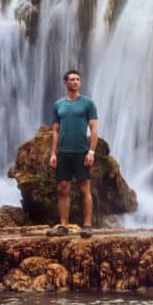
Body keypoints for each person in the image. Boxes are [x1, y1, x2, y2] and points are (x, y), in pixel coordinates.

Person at [46, 69, 98, 238]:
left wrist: (91, 151)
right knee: (62, 189)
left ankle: (87, 226)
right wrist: (53, 154)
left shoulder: (88, 103)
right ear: (65, 83)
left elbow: (94, 128)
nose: (75, 82)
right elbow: (55, 131)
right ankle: (63, 226)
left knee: (84, 188)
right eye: (72, 79)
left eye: (78, 79)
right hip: (63, 152)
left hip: (81, 151)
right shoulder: (58, 105)